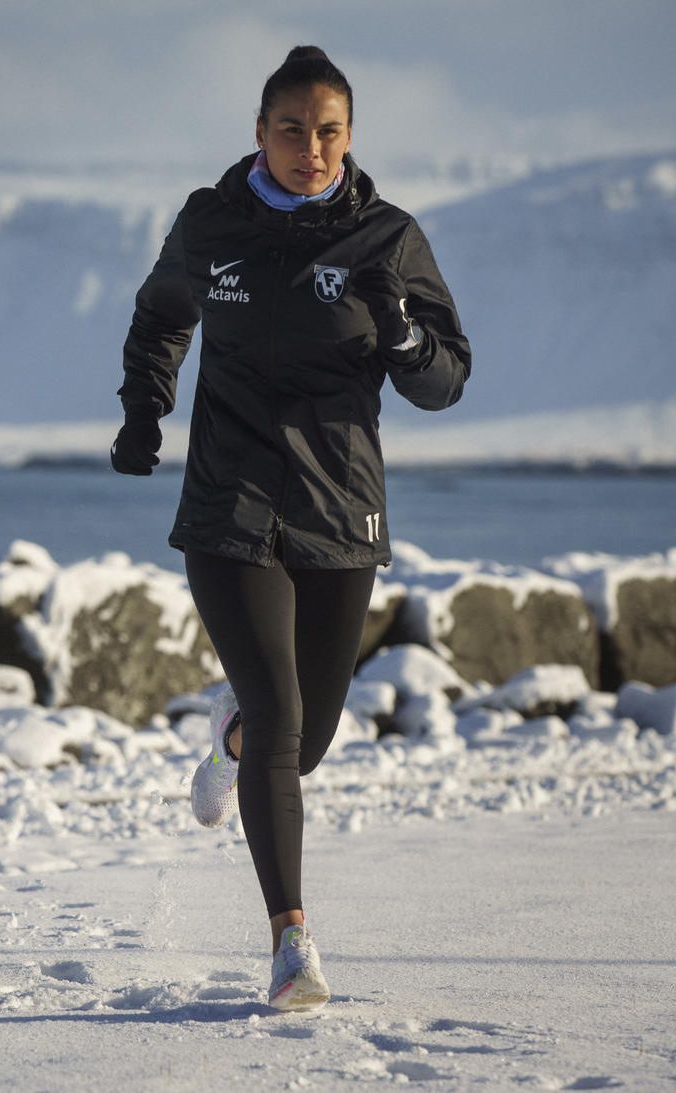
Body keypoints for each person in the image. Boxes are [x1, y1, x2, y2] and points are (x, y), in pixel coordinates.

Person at [109, 45, 471, 1011]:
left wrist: (402, 336)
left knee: (300, 740)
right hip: (227, 507)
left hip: (339, 511)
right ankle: (290, 942)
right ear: (259, 133)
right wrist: (146, 409)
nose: (310, 149)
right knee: (279, 715)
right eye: (290, 129)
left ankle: (229, 743)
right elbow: (160, 319)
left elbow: (446, 379)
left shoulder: (386, 239)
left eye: (329, 131)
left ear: (349, 138)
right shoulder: (211, 222)